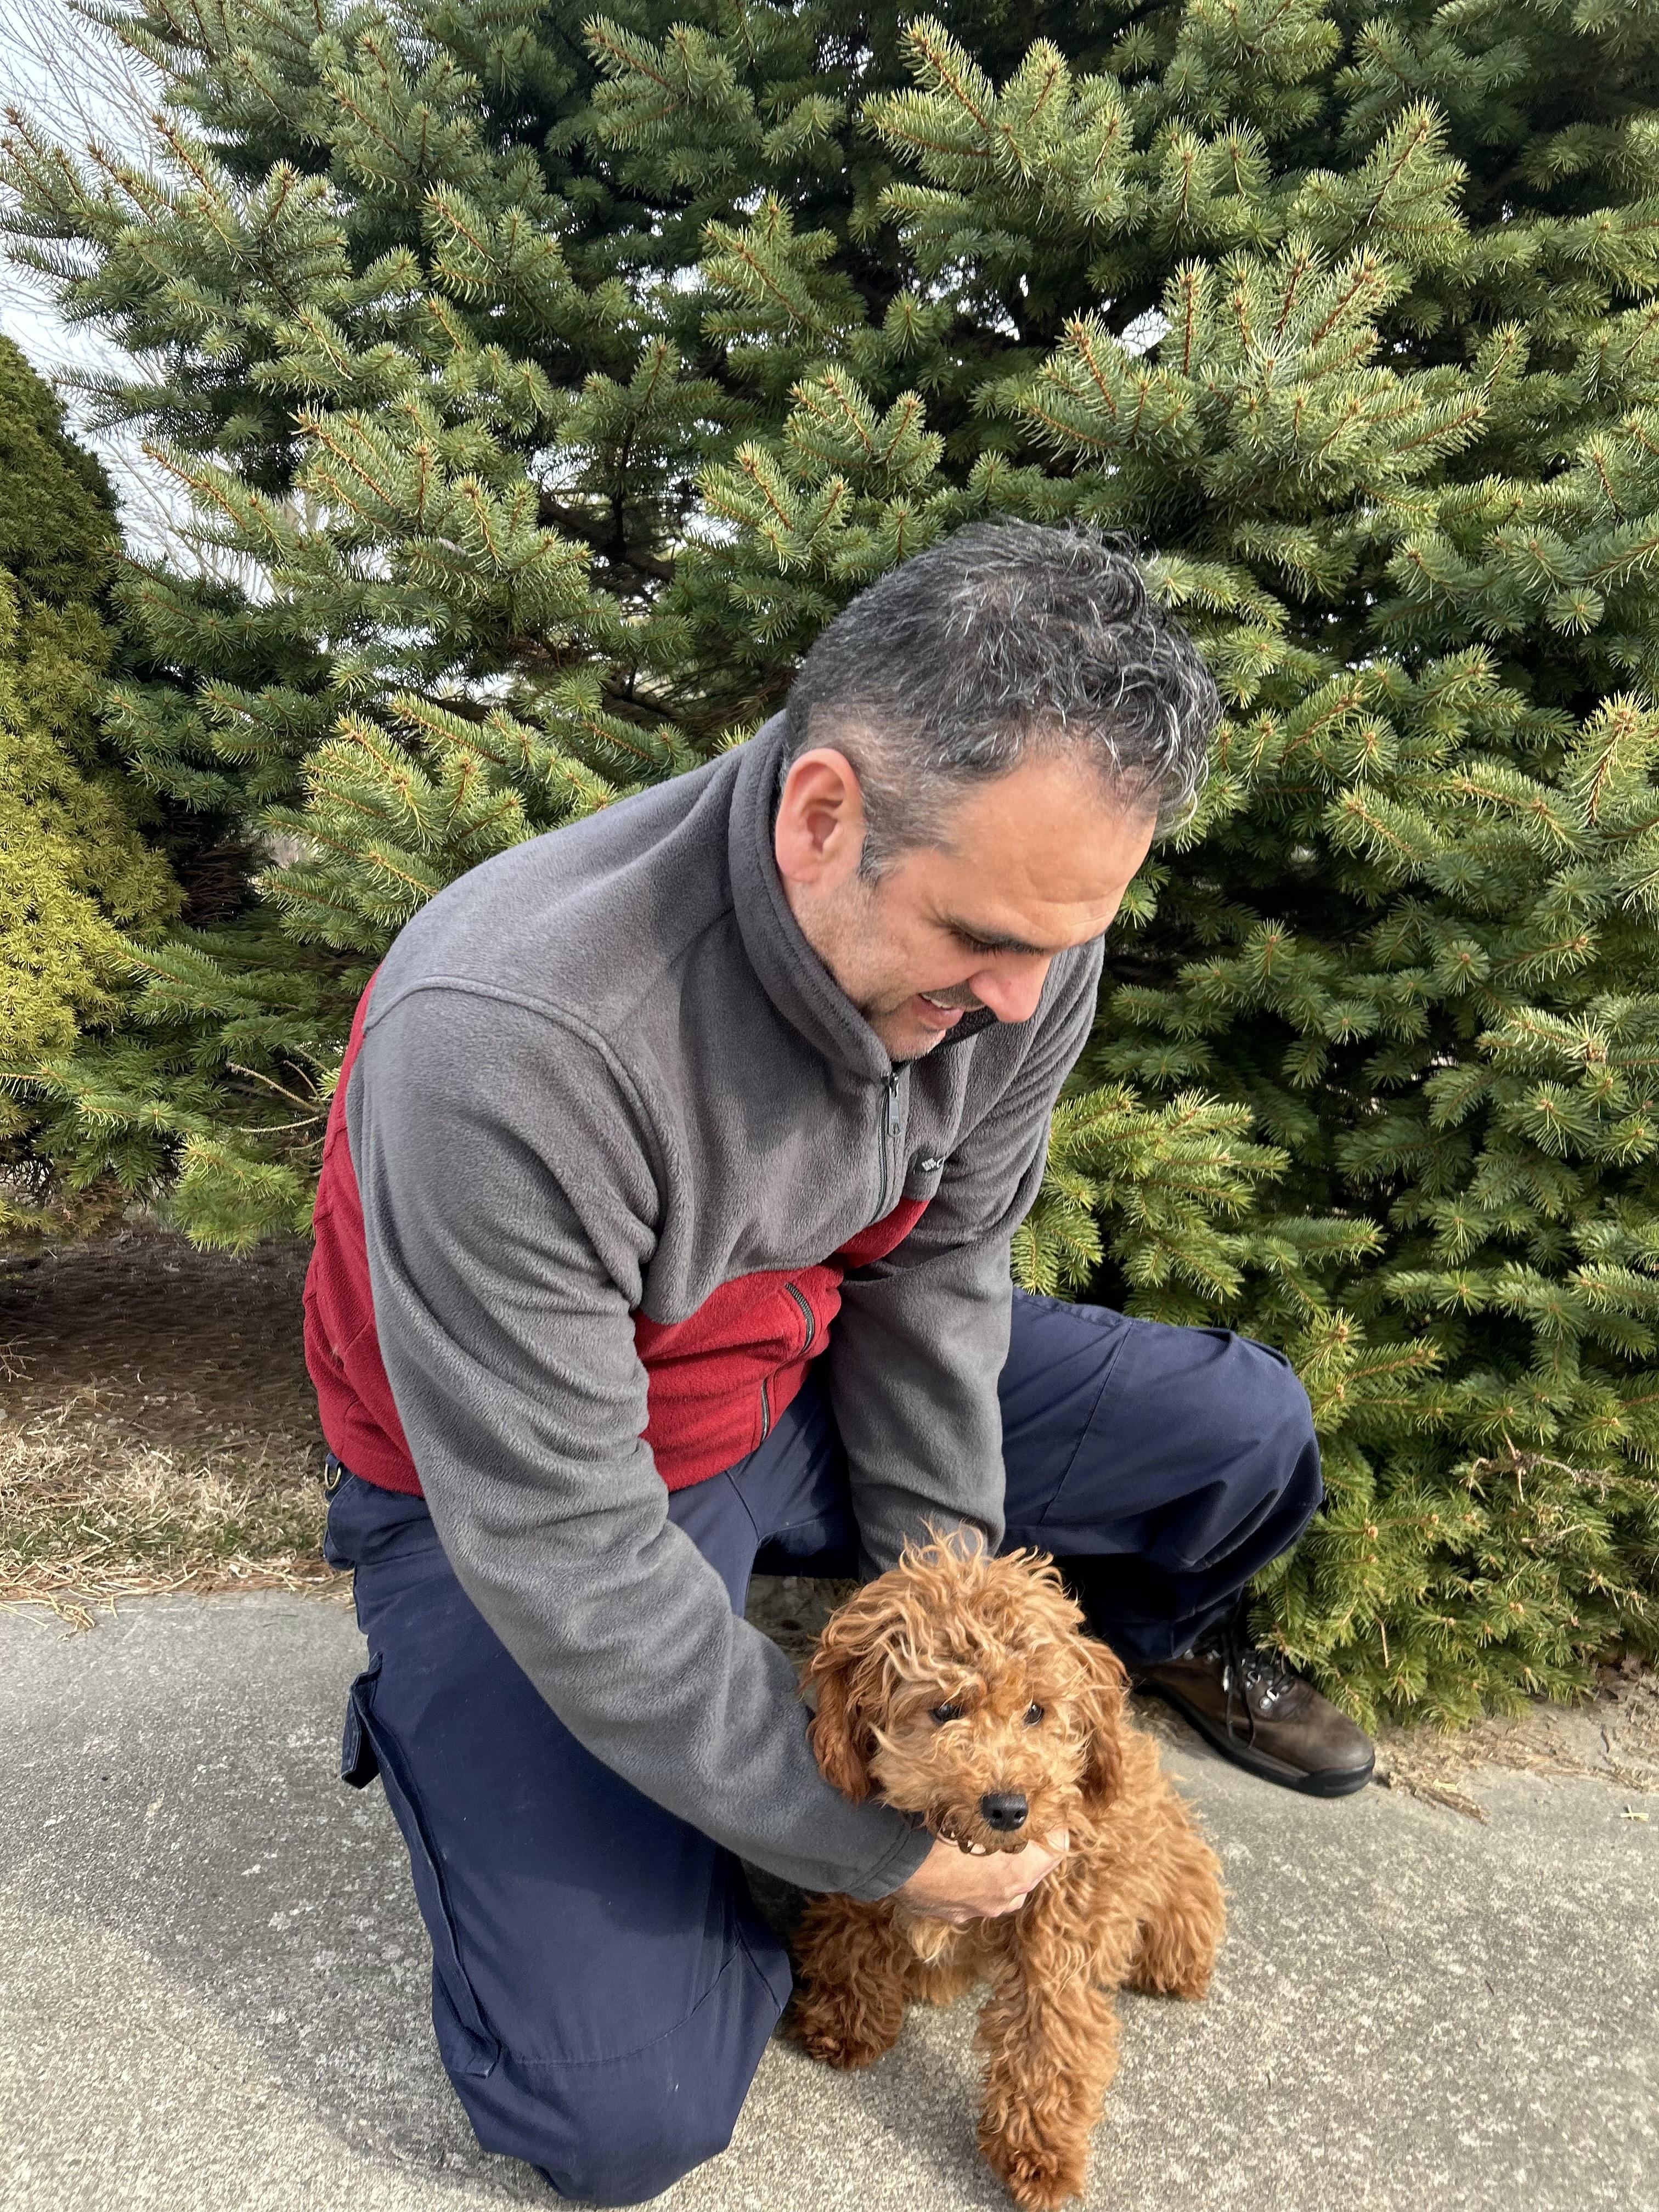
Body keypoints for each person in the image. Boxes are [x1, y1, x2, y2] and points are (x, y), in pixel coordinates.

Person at [307, 521, 1373, 2205]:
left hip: (788, 1379)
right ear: (822, 817)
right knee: (619, 2110)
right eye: (983, 942)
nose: (1022, 1000)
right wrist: (887, 1838)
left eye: (1063, 943)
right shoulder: (511, 1039)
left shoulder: (1024, 931)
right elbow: (565, 1542)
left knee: (1237, 1429)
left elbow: (942, 1269)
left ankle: (1120, 1656)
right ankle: (490, 1743)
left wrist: (962, 1628)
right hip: (531, 1492)